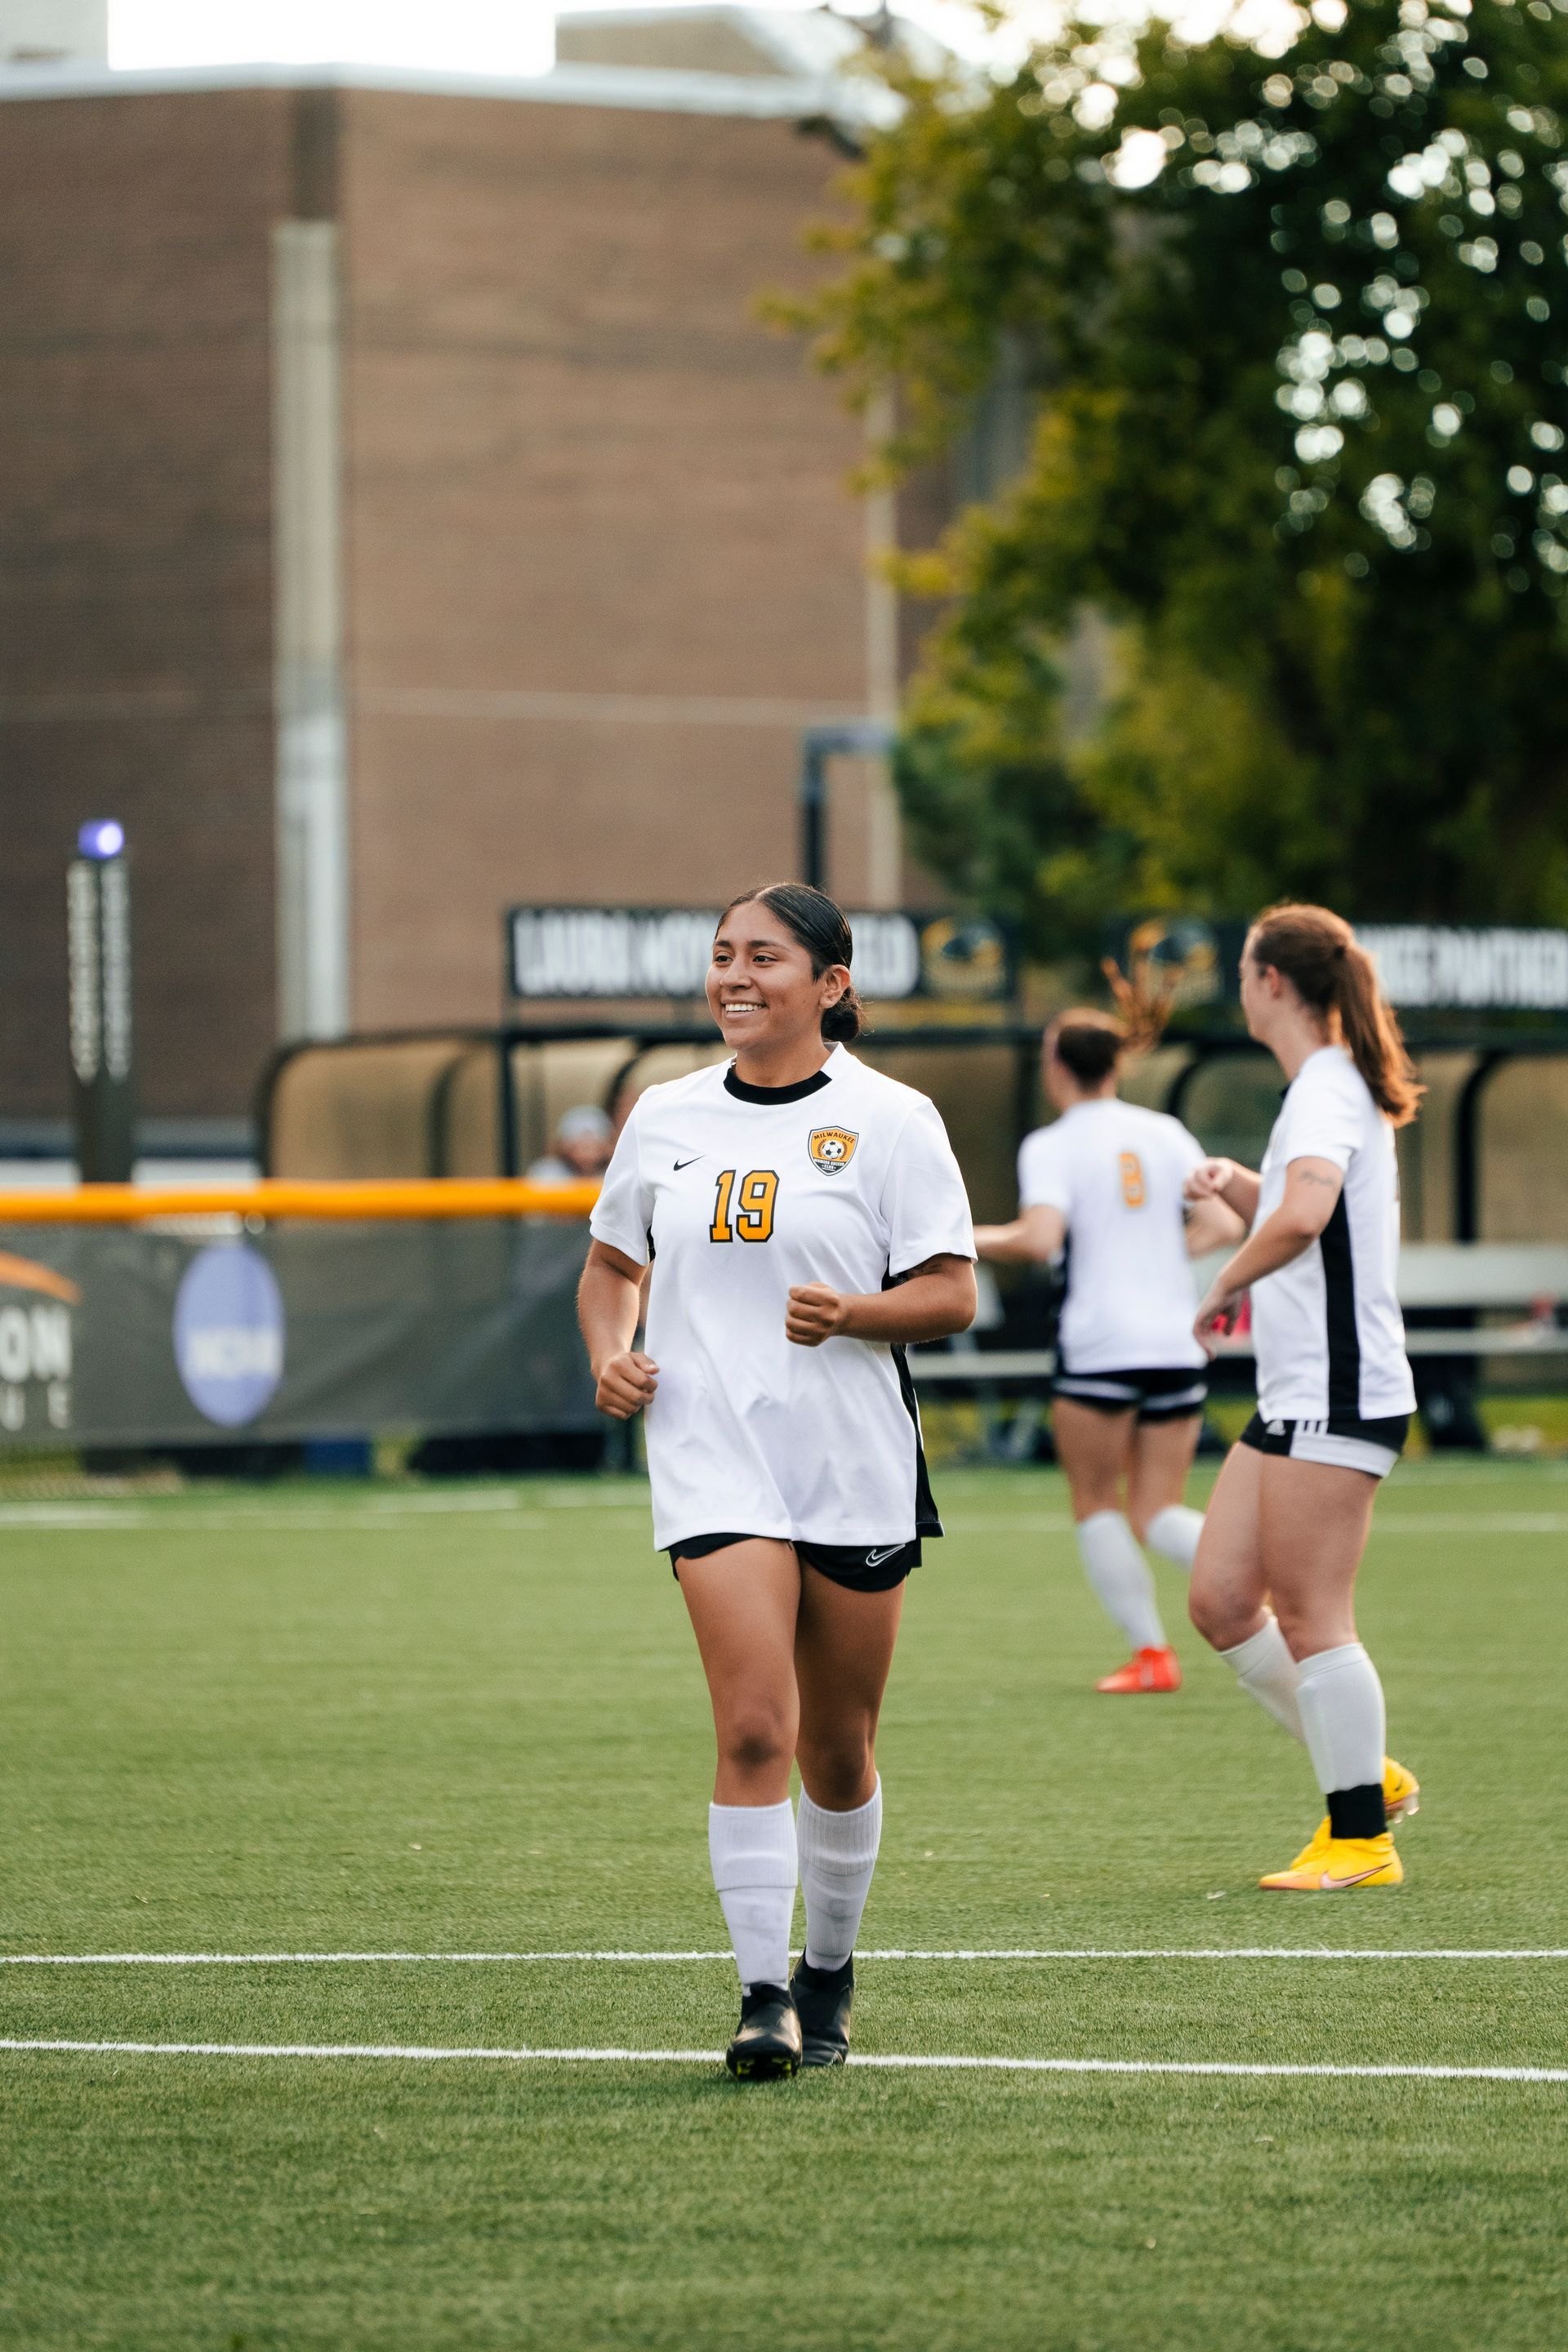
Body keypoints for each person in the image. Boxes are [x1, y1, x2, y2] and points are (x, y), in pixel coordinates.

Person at [577, 883, 976, 2078]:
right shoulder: (664, 1114)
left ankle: (830, 1972)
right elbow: (609, 1267)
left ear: (832, 985)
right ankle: (761, 1997)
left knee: (838, 1749)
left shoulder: (895, 1120)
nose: (735, 977)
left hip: (853, 1465)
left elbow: (952, 1293)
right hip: (713, 1458)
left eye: (764, 957)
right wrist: (612, 1353)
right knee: (755, 1726)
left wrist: (859, 1312)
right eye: (721, 957)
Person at [1185, 903, 1423, 1893]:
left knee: (1314, 1616)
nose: (1240, 985)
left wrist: (1227, 1279)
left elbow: (1308, 1214)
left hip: (1338, 1388)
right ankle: (1362, 1765)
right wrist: (1244, 1183)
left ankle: (1360, 1836)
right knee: (1221, 1599)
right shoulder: (1320, 1090)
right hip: (1298, 1391)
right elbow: (1304, 1213)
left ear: (1272, 982)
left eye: (1244, 970)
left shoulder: (1326, 1086)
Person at [975, 1010, 1242, 1692]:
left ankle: (1153, 1655)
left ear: (1058, 1066)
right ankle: (1255, 1580)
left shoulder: (1053, 1144)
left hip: (1100, 1345)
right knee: (1157, 1510)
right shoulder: (1166, 1132)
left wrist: (949, 1237)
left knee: (1096, 1501)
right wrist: (1155, 1261)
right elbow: (1223, 1220)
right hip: (1175, 1340)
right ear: (1115, 1066)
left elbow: (1038, 1240)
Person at [527, 1103, 613, 1184]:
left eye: (594, 1143)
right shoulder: (547, 1172)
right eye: (579, 1143)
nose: (586, 1150)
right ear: (563, 1145)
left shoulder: (616, 1172)